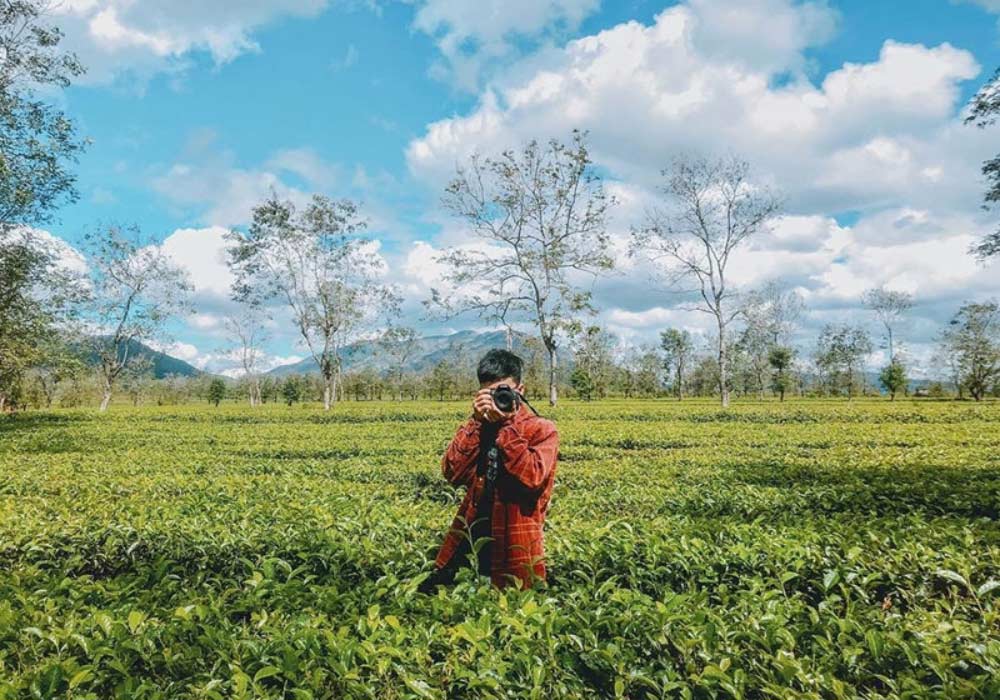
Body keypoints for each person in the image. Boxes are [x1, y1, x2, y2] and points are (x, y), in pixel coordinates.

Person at [422, 349, 559, 590]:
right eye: (489, 393)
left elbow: (532, 478)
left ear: (521, 391)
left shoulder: (542, 429)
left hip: (515, 542)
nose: (497, 398)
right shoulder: (480, 427)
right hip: (471, 539)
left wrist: (506, 426)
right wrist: (476, 422)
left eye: (503, 391)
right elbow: (452, 472)